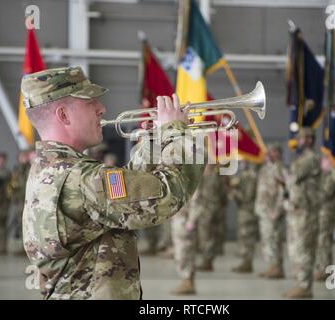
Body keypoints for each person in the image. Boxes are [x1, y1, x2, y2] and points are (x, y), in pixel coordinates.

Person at [20, 66, 203, 299]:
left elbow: (127, 194)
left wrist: (155, 142)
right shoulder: (81, 177)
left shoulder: (53, 169)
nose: (102, 108)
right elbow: (168, 194)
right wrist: (177, 133)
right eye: (90, 102)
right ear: (63, 115)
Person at [283, 127, 321, 298]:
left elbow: (294, 176)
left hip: (306, 210)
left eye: (301, 139)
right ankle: (300, 283)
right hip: (297, 210)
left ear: (310, 140)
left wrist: (286, 175)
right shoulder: (301, 158)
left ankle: (305, 286)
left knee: (304, 248)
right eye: (298, 138)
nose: (297, 141)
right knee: (296, 248)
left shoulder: (310, 159)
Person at [255, 142, 287, 279]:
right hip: (264, 210)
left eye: (273, 152)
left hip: (273, 211)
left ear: (278, 154)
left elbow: (283, 192)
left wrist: (278, 210)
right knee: (267, 240)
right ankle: (271, 266)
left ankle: (277, 268)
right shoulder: (265, 169)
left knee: (274, 239)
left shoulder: (280, 170)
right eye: (269, 152)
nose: (269, 154)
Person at [195, 165, 229, 271]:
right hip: (203, 210)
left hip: (210, 211)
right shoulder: (202, 177)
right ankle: (206, 259)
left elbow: (223, 195)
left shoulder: (214, 177)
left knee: (208, 236)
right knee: (204, 236)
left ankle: (207, 261)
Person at [313, 155, 335, 281]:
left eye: (325, 160)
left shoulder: (331, 177)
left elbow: (324, 193)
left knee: (324, 242)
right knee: (321, 242)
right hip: (320, 213)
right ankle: (323, 268)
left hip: (326, 214)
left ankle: (325, 269)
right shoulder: (323, 176)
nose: (322, 162)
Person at [229, 159, 258, 273]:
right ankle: (245, 262)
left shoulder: (251, 177)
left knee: (247, 238)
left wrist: (235, 191)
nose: (241, 163)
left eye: (244, 161)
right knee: (243, 237)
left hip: (248, 211)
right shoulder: (244, 176)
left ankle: (247, 263)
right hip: (243, 211)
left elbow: (247, 197)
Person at [8, 150, 31, 254]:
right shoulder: (17, 169)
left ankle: (28, 248)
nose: (23, 158)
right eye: (21, 157)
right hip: (19, 200)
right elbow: (13, 184)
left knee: (28, 225)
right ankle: (23, 247)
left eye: (25, 156)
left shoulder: (30, 168)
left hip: (28, 200)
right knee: (21, 224)